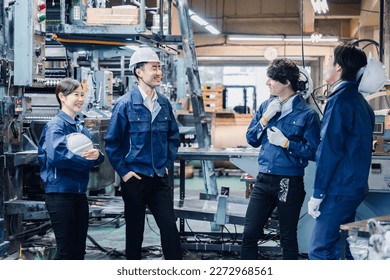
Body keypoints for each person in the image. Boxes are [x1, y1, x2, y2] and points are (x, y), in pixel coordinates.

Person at [104, 47, 182, 260]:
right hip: (135, 179)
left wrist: (167, 163)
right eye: (153, 68)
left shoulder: (163, 103)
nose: (158, 72)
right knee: (134, 232)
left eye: (159, 68)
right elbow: (112, 143)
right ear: (139, 72)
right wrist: (125, 173)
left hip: (159, 177)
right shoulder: (125, 105)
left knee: (169, 228)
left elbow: (173, 137)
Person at [241, 58, 321, 260]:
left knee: (287, 237)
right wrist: (264, 119)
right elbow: (251, 139)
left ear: (286, 82)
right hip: (264, 180)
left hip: (288, 182)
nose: (268, 83)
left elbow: (314, 151)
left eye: (272, 79)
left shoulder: (308, 114)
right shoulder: (266, 106)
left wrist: (287, 144)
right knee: (249, 234)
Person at [307, 43, 375, 260]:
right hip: (354, 187)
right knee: (339, 249)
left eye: (329, 61)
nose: (327, 65)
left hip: (338, 190)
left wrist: (318, 193)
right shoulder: (362, 104)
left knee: (319, 251)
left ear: (339, 67)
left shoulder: (339, 101)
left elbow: (329, 150)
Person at [38, 78, 105, 259]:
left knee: (78, 251)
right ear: (62, 96)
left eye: (82, 95)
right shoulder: (55, 126)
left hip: (79, 195)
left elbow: (94, 153)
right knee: (66, 251)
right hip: (60, 195)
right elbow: (58, 157)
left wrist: (98, 156)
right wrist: (88, 161)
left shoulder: (80, 128)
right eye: (75, 94)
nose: (80, 99)